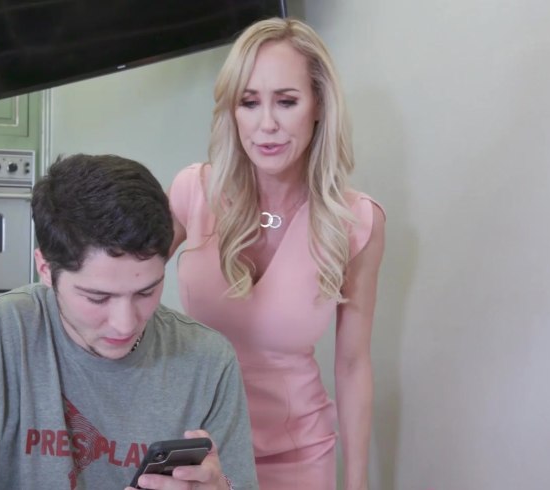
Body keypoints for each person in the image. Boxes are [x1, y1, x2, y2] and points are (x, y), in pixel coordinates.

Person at [0, 154, 259, 490]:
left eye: (146, 291)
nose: (124, 324)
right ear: (46, 269)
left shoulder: (208, 361)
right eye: (97, 297)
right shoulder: (0, 333)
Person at [168, 18, 386, 490]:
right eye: (249, 102)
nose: (266, 124)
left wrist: (357, 484)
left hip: (300, 456)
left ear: (319, 106)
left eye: (286, 101)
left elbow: (352, 365)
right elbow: (123, 285)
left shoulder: (357, 222)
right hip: (200, 451)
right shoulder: (193, 191)